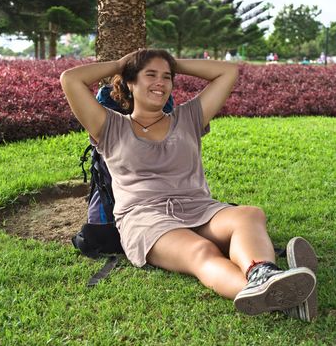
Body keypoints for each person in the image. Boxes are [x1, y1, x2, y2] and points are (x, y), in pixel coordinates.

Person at [60, 49, 316, 317]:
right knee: (200, 250)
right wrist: (121, 63)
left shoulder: (189, 117)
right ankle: (280, 298)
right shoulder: (109, 126)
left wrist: (170, 63)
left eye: (166, 77)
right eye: (150, 75)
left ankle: (264, 272)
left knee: (248, 215)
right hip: (146, 218)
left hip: (198, 208)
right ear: (130, 82)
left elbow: (227, 72)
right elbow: (70, 80)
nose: (160, 82)